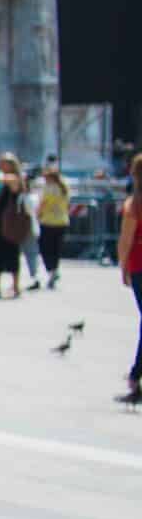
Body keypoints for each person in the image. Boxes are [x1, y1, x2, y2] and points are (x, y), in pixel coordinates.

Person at [0, 154, 28, 299]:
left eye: (4, 164)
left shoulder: (15, 180)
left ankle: (16, 285)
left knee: (12, 253)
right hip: (0, 222)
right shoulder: (5, 182)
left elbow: (11, 180)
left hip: (11, 224)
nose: (1, 166)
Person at [120, 155, 141, 403]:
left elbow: (126, 240)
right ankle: (136, 374)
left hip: (139, 264)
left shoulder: (134, 204)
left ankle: (136, 374)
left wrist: (123, 266)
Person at [34, 163, 72, 289]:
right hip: (62, 221)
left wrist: (37, 215)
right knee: (56, 249)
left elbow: (43, 204)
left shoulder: (48, 188)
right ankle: (54, 270)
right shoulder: (65, 188)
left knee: (45, 248)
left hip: (48, 221)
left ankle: (51, 270)